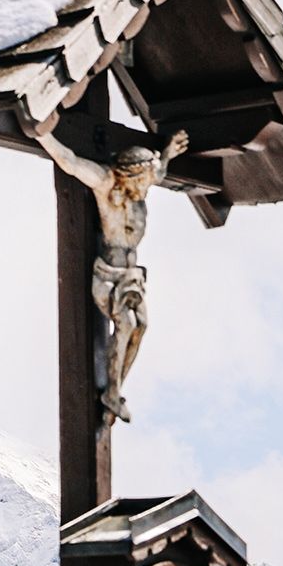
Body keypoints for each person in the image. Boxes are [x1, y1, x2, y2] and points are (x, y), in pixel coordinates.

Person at [30, 117, 189, 420]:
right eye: (144, 179)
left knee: (141, 327)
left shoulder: (141, 185)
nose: (150, 183)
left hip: (132, 275)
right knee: (125, 325)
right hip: (108, 275)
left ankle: (115, 391)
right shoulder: (108, 186)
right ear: (130, 175)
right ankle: (112, 394)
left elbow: (160, 170)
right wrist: (41, 135)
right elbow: (72, 162)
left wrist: (167, 152)